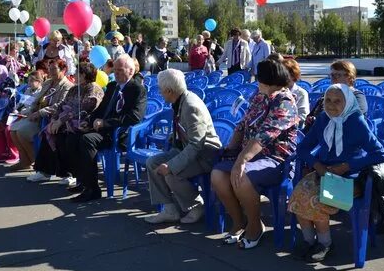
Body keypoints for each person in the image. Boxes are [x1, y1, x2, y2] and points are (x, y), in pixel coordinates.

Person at [289, 84, 384, 262]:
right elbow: (303, 148)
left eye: (337, 101)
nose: (331, 105)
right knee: (297, 195)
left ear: (348, 102)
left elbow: (380, 154)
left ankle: (325, 243)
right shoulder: (323, 119)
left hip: (350, 178)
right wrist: (316, 164)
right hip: (324, 173)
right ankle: (309, 240)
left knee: (317, 200)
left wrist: (347, 166)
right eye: (327, 100)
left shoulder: (356, 121)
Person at [211, 60, 300, 249]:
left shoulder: (285, 101)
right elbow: (243, 124)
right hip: (250, 155)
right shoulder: (259, 96)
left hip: (275, 160)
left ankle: (255, 226)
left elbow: (265, 135)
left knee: (241, 176)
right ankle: (238, 222)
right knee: (217, 175)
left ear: (268, 78)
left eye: (259, 76)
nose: (256, 79)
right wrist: (231, 151)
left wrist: (241, 160)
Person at [61, 54, 146, 202]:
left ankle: (93, 189)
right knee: (71, 136)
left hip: (118, 133)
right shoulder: (113, 86)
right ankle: (83, 181)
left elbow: (134, 117)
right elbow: (101, 110)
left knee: (87, 140)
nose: (116, 73)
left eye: (120, 70)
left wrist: (106, 123)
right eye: (115, 70)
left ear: (130, 71)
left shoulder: (137, 89)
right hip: (102, 129)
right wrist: (89, 121)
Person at [143, 69, 222, 224]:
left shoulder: (191, 106)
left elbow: (196, 145)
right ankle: (170, 209)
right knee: (152, 163)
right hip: (185, 149)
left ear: (169, 91)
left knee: (171, 173)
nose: (159, 92)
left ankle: (196, 206)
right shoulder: (179, 101)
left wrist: (171, 165)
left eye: (161, 90)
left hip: (204, 156)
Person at [28, 62, 105, 183]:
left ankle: (70, 174)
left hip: (83, 123)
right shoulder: (75, 89)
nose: (74, 74)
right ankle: (44, 171)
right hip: (66, 120)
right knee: (49, 131)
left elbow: (84, 110)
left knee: (64, 136)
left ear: (84, 75)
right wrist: (54, 119)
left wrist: (61, 121)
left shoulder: (94, 89)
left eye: (77, 73)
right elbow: (62, 104)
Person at [9, 59, 73, 171]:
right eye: (50, 69)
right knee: (12, 129)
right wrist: (31, 111)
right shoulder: (48, 83)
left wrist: (39, 113)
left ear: (63, 70)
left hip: (48, 118)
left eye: (54, 69)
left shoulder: (67, 86)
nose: (51, 71)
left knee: (21, 132)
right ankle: (25, 161)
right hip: (36, 115)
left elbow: (59, 105)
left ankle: (37, 162)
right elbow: (37, 100)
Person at [305, 60, 368, 131]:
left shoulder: (357, 96)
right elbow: (312, 114)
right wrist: (310, 118)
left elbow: (356, 118)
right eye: (332, 75)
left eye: (338, 75)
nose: (334, 78)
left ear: (350, 77)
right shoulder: (327, 94)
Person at [282, 58, 309, 127]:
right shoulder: (276, 90)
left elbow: (303, 115)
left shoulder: (301, 93)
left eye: (285, 74)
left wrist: (285, 123)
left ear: (294, 75)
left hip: (295, 129)